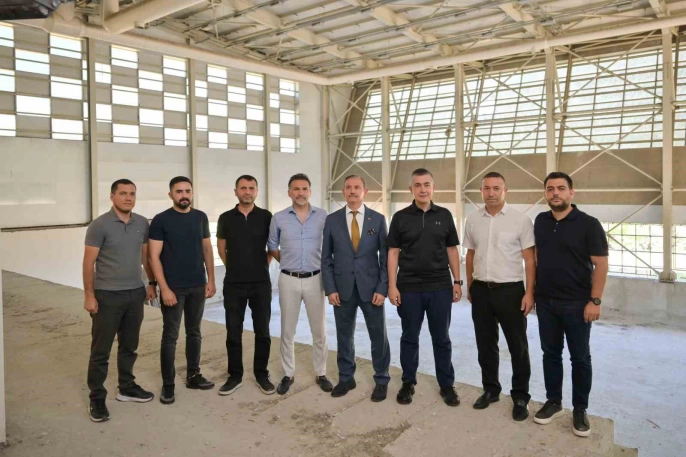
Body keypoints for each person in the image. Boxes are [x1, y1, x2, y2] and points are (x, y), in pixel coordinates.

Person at [533, 171, 609, 438]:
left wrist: (595, 301)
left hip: (577, 304)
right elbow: (537, 257)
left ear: (571, 193)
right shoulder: (541, 221)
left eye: (561, 188)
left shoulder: (589, 224)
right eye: (550, 189)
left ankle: (580, 409)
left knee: (580, 358)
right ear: (546, 193)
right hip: (546, 302)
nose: (555, 193)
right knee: (550, 354)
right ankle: (554, 402)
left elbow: (601, 265)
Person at [387, 168, 463, 407]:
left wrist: (457, 281)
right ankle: (408, 382)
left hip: (440, 287)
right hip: (408, 287)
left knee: (441, 338)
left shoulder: (445, 215)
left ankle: (446, 385)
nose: (422, 189)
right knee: (410, 337)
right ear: (411, 189)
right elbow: (393, 252)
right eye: (417, 185)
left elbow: (452, 249)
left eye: (426, 184)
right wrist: (392, 286)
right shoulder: (400, 218)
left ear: (433, 187)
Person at [463, 172, 535, 421]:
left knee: (518, 346)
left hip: (511, 291)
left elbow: (529, 260)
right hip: (481, 290)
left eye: (496, 188)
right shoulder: (473, 220)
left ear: (505, 191)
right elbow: (470, 254)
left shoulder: (520, 220)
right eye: (486, 188)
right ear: (481, 191)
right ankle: (491, 389)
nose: (491, 193)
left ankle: (520, 397)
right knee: (485, 344)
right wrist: (470, 285)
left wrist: (529, 292)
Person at [83, 179, 157, 422]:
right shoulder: (99, 225)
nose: (128, 198)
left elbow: (145, 257)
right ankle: (97, 397)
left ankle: (126, 387)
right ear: (112, 196)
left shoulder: (142, 223)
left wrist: (151, 283)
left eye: (132, 194)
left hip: (135, 293)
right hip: (107, 295)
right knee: (101, 350)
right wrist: (89, 295)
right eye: (123, 193)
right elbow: (88, 263)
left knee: (129, 346)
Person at [322, 175, 391, 401]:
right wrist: (330, 289)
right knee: (344, 336)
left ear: (365, 191)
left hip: (372, 289)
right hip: (342, 289)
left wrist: (382, 288)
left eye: (357, 187)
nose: (352, 191)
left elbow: (385, 258)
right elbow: (326, 258)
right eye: (348, 187)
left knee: (378, 336)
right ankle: (346, 378)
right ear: (343, 191)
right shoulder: (332, 220)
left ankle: (381, 379)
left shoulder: (377, 220)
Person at [149, 176, 217, 405]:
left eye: (187, 191)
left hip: (197, 285)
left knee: (194, 332)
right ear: (171, 195)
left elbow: (207, 249)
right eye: (179, 191)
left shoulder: (200, 217)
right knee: (170, 336)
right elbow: (153, 257)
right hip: (173, 289)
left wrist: (211, 279)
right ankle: (168, 384)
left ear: (192, 193)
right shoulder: (160, 220)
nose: (184, 195)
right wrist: (164, 288)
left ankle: (193, 375)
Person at [268, 173, 332, 395]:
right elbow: (272, 246)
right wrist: (288, 262)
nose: (300, 193)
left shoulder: (323, 216)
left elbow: (331, 244)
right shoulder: (279, 218)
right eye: (296, 189)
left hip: (316, 279)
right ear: (289, 192)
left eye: (304, 189)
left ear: (310, 192)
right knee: (287, 329)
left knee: (319, 330)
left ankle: (321, 373)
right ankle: (288, 374)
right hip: (288, 279)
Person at [216, 175, 275, 396]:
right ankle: (235, 376)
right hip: (234, 284)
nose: (247, 192)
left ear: (256, 191)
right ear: (236, 191)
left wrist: (261, 266)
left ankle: (261, 374)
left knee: (263, 331)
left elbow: (272, 246)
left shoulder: (266, 217)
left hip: (261, 283)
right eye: (243, 188)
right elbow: (221, 248)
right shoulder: (225, 218)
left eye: (251, 188)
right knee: (233, 331)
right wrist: (234, 267)